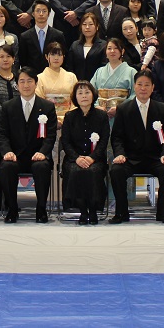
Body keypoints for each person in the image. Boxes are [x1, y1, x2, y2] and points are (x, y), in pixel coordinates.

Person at [109, 69, 164, 224]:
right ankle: (121, 213)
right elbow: (117, 137)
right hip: (131, 158)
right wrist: (120, 154)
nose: (143, 88)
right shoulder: (123, 109)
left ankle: (163, 213)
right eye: (140, 84)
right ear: (134, 86)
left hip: (155, 158)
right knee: (116, 171)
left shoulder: (162, 109)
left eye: (147, 85)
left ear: (153, 87)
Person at [0, 67, 58, 223]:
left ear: (36, 83)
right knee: (6, 166)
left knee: (42, 166)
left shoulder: (47, 107)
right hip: (15, 155)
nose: (26, 85)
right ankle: (12, 209)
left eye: (29, 81)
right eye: (22, 81)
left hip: (38, 154)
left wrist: (43, 152)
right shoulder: (8, 107)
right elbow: (2, 134)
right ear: (17, 85)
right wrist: (7, 151)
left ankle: (41, 209)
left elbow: (50, 135)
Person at [60, 80, 110, 225]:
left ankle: (93, 210)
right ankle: (82, 210)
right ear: (75, 97)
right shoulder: (69, 116)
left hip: (96, 159)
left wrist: (92, 158)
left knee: (93, 171)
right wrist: (77, 158)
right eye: (80, 93)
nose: (84, 96)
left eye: (87, 92)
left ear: (93, 95)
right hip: (74, 159)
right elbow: (66, 142)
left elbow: (104, 141)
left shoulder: (102, 116)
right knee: (76, 170)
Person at [92, 38, 136, 117]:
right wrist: (96, 106)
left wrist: (120, 108)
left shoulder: (131, 72)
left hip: (123, 115)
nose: (112, 51)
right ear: (106, 52)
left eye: (116, 48)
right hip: (100, 114)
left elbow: (135, 94)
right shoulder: (99, 71)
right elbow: (91, 91)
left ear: (122, 51)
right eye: (109, 48)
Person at [18, 0, 64, 75]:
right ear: (33, 14)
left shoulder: (58, 35)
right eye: (38, 11)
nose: (41, 14)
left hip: (53, 74)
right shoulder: (25, 36)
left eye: (44, 11)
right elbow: (23, 60)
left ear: (49, 14)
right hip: (32, 76)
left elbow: (63, 57)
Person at [35, 42, 78, 116]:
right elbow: (39, 102)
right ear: (46, 56)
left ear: (63, 57)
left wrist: (70, 116)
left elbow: (76, 98)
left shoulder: (71, 77)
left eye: (59, 55)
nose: (56, 58)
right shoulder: (39, 78)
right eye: (53, 54)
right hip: (48, 116)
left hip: (69, 117)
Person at [66, 11, 107, 81]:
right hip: (77, 83)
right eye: (84, 24)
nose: (87, 27)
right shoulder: (75, 45)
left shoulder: (104, 45)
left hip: (96, 83)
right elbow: (69, 67)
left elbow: (104, 67)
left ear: (97, 27)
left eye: (91, 24)